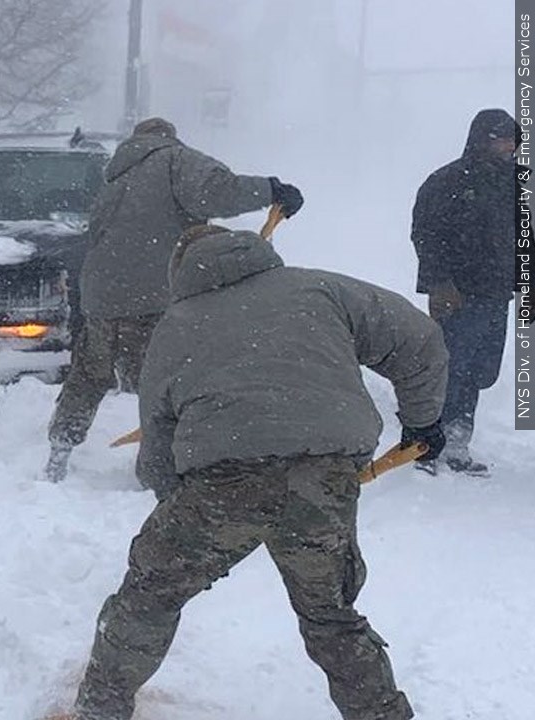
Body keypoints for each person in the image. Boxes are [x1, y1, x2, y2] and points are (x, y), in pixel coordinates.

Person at [70, 225, 448, 720]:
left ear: (180, 271)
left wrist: (177, 505)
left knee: (149, 596)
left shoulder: (176, 324)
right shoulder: (321, 289)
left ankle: (100, 709)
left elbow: (157, 433)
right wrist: (422, 420)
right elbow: (419, 339)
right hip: (324, 475)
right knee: (330, 617)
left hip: (222, 482)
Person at [44, 117, 304, 483]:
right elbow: (218, 191)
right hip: (152, 295)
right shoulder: (174, 159)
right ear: (168, 138)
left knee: (89, 376)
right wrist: (271, 189)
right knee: (165, 384)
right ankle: (162, 469)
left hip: (102, 297)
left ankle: (60, 450)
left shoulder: (114, 179)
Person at [410, 108, 519, 477]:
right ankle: (425, 445)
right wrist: (439, 282)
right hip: (458, 294)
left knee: (478, 372)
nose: (510, 146)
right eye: (502, 138)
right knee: (448, 369)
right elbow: (425, 234)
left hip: (497, 293)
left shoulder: (512, 184)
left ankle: (457, 443)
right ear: (482, 139)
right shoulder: (448, 180)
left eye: (513, 140)